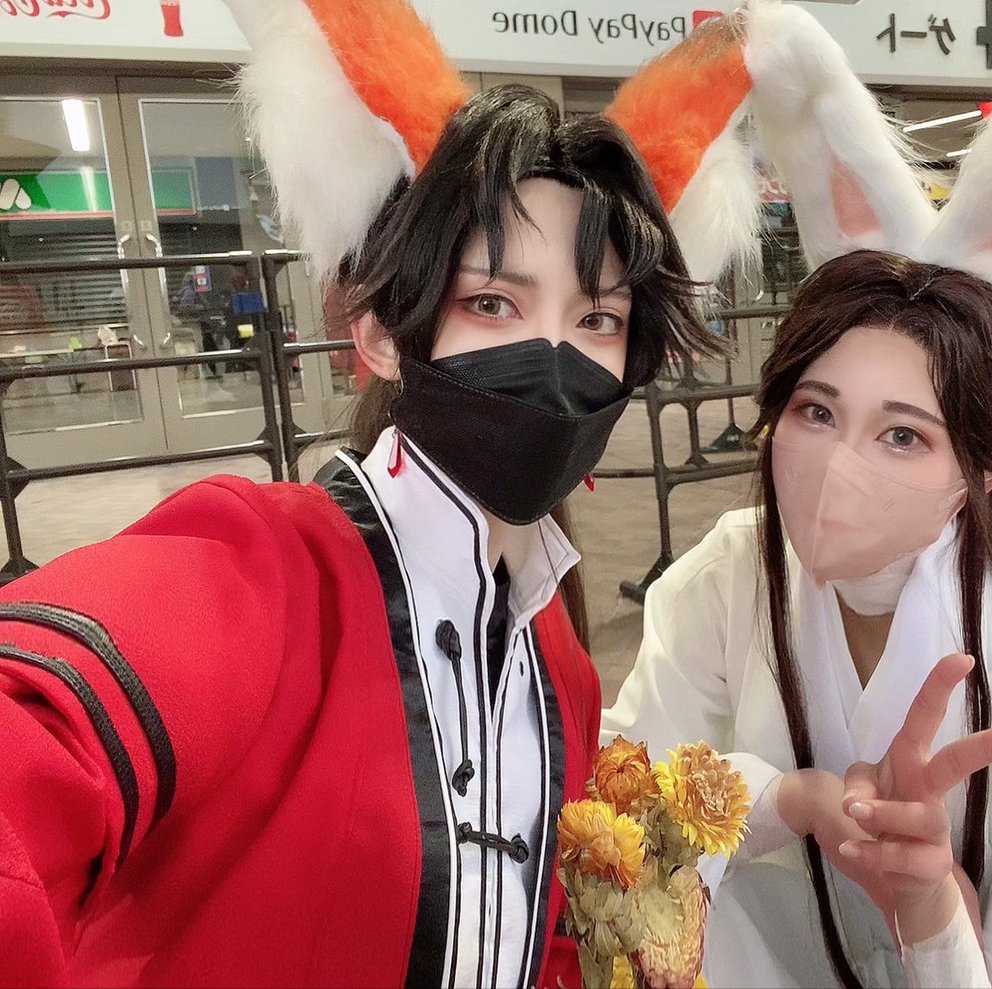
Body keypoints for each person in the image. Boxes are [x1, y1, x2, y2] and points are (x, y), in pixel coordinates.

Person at [0, 2, 763, 985]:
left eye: (598, 318)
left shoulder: (559, 664)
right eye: (493, 302)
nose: (554, 358)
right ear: (382, 335)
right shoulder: (259, 570)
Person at [604, 3, 992, 987]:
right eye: (816, 410)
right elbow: (614, 825)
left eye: (903, 433)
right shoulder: (728, 577)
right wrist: (784, 801)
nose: (838, 465)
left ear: (990, 468)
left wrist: (932, 914)